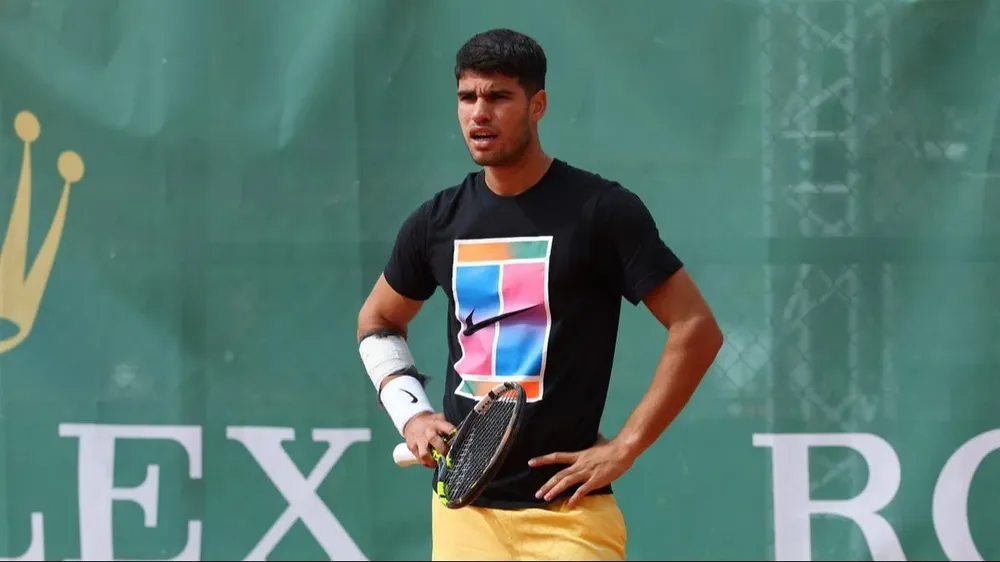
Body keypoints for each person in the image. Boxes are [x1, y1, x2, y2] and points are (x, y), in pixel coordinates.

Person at [356, 28, 724, 561]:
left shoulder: (602, 211)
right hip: (464, 513)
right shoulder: (435, 221)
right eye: (467, 97)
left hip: (570, 517)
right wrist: (409, 412)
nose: (479, 113)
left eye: (499, 97)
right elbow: (378, 321)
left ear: (538, 105)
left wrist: (626, 446)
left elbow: (696, 327)